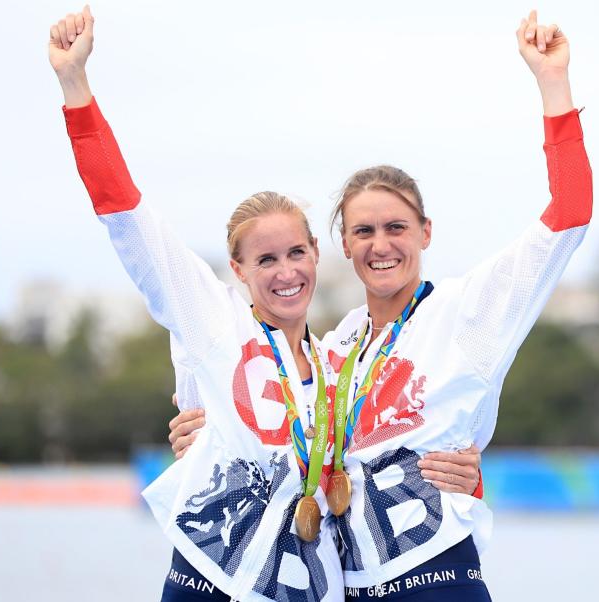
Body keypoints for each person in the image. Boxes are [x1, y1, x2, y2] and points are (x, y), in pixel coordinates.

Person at [47, 7, 484, 602]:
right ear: (238, 270)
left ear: (317, 255)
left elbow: (391, 449)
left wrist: (466, 477)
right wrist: (76, 87)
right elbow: (125, 216)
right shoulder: (214, 320)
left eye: (297, 253)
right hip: (210, 579)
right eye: (266, 260)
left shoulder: (338, 362)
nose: (286, 273)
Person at [171, 9, 592, 601]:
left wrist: (553, 84)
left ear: (426, 231)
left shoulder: (467, 310)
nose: (381, 245)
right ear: (342, 244)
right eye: (363, 231)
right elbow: (283, 439)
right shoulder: (335, 347)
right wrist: (210, 437)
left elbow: (570, 213)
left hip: (438, 579)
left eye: (396, 227)